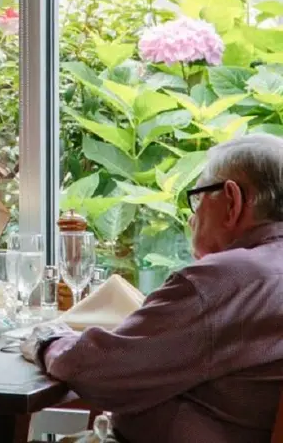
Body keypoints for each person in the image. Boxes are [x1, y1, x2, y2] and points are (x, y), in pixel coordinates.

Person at [22, 135, 283, 443]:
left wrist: (47, 339)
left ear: (232, 201)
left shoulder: (224, 280)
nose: (192, 218)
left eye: (197, 198)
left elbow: (99, 370)